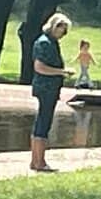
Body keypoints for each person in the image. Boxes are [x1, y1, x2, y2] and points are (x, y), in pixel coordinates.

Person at [30, 12, 75, 172]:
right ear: (54, 26)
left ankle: (35, 161)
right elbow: (39, 67)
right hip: (46, 88)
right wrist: (62, 72)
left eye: (64, 31)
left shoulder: (51, 42)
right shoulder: (45, 43)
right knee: (44, 122)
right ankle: (39, 162)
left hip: (49, 88)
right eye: (61, 30)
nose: (62, 34)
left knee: (42, 122)